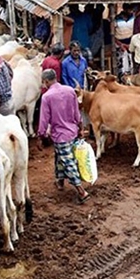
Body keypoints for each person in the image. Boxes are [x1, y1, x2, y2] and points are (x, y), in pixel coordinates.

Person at [37, 69, 91, 205]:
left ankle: (81, 191)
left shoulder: (47, 97)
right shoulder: (69, 91)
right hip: (72, 130)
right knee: (59, 157)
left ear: (46, 81)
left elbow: (44, 119)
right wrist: (80, 128)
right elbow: (76, 112)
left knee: (68, 162)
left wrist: (41, 135)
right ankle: (60, 182)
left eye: (43, 82)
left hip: (60, 134)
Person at [114, 4, 135, 77]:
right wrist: (121, 45)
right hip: (120, 44)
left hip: (130, 43)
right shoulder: (117, 19)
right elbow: (113, 34)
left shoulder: (133, 17)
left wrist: (130, 44)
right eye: (129, 10)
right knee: (122, 65)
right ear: (125, 9)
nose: (131, 11)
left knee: (131, 63)